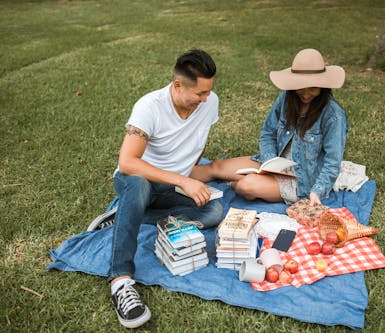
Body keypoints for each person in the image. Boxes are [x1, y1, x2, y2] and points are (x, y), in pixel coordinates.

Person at [87, 49, 223, 329]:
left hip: (171, 188)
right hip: (139, 181)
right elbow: (127, 163)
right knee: (136, 187)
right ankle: (120, 281)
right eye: (199, 93)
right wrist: (182, 180)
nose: (206, 99)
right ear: (177, 85)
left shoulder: (210, 103)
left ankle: (124, 215)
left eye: (209, 91)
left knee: (213, 210)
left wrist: (189, 173)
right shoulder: (149, 106)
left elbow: (198, 142)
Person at [192, 48, 347, 206]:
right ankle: (171, 181)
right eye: (301, 87)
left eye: (312, 88)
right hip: (275, 164)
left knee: (245, 186)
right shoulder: (287, 98)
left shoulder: (334, 116)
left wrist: (317, 192)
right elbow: (268, 133)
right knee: (215, 166)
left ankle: (237, 181)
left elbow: (332, 162)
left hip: (302, 179)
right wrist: (270, 163)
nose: (306, 93)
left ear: (323, 87)